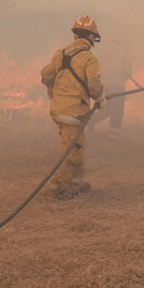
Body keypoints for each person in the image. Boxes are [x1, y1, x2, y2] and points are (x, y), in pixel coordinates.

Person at [40, 15, 107, 200]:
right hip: (73, 112)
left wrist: (53, 93)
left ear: (76, 35)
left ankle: (75, 185)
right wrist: (101, 99)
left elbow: (46, 75)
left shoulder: (60, 54)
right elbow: (94, 85)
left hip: (58, 111)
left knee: (77, 146)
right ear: (92, 37)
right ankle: (59, 188)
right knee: (70, 151)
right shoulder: (89, 59)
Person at [91, 33, 133, 139]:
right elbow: (128, 73)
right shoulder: (124, 51)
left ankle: (90, 120)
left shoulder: (103, 50)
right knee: (117, 112)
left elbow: (96, 67)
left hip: (103, 86)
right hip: (117, 86)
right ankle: (114, 138)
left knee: (107, 108)